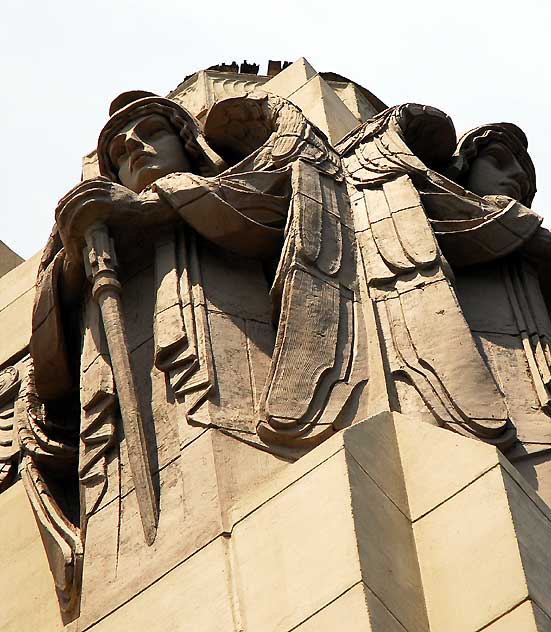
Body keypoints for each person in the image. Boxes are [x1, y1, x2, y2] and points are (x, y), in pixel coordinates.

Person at [21, 90, 365, 612]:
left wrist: (156, 208)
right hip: (118, 425)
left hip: (232, 373)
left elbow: (270, 203)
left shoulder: (224, 186)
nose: (133, 149)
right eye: (119, 152)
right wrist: (74, 257)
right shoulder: (96, 246)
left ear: (190, 142)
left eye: (151, 133)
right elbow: (49, 366)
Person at [447, 123, 551, 503]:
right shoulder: (451, 212)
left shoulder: (522, 234)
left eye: (523, 184)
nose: (513, 180)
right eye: (497, 161)